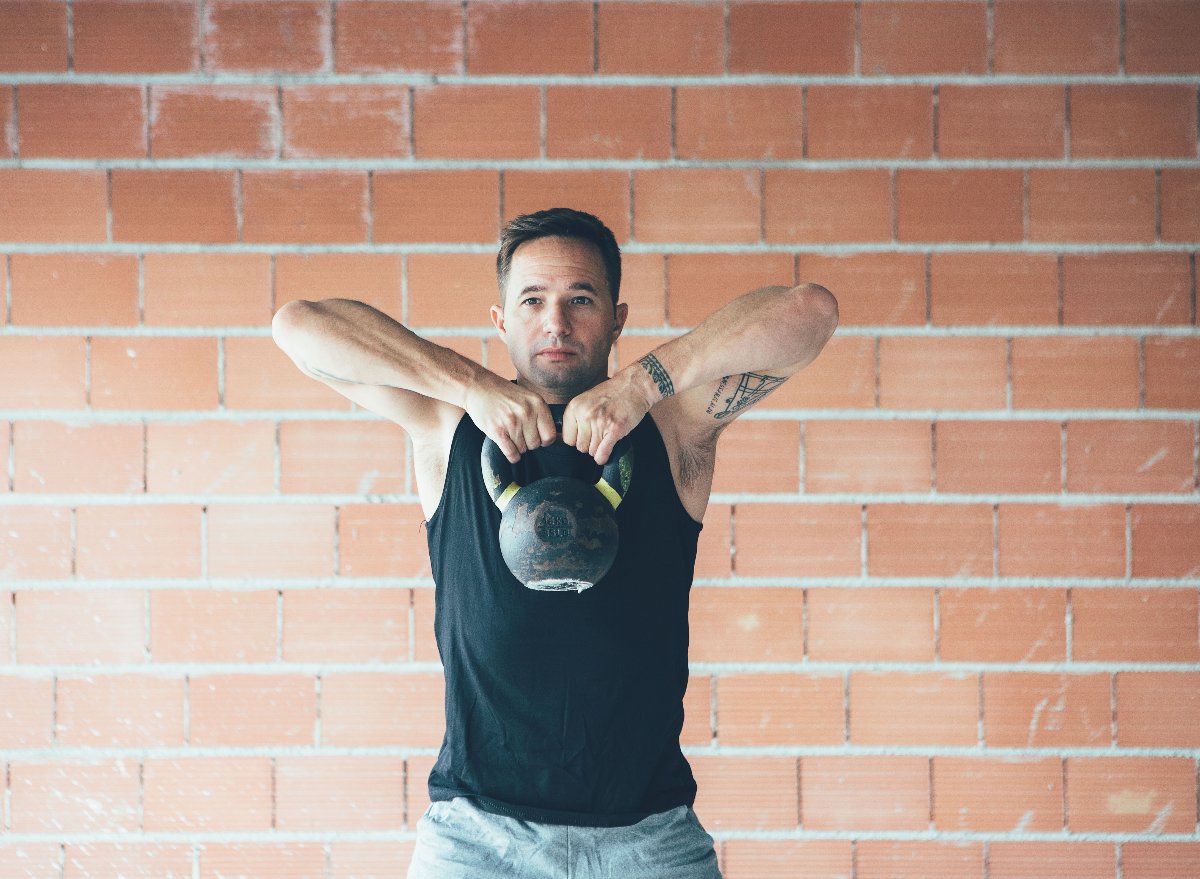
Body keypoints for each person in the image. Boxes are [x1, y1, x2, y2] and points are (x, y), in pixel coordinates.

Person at [272, 208, 838, 878]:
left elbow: (811, 311)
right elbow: (297, 326)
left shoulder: (676, 426)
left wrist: (642, 382)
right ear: (501, 320)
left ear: (617, 318)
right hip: (477, 840)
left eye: (581, 300)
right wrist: (473, 386)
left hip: (649, 840)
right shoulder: (445, 422)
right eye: (533, 301)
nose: (557, 323)